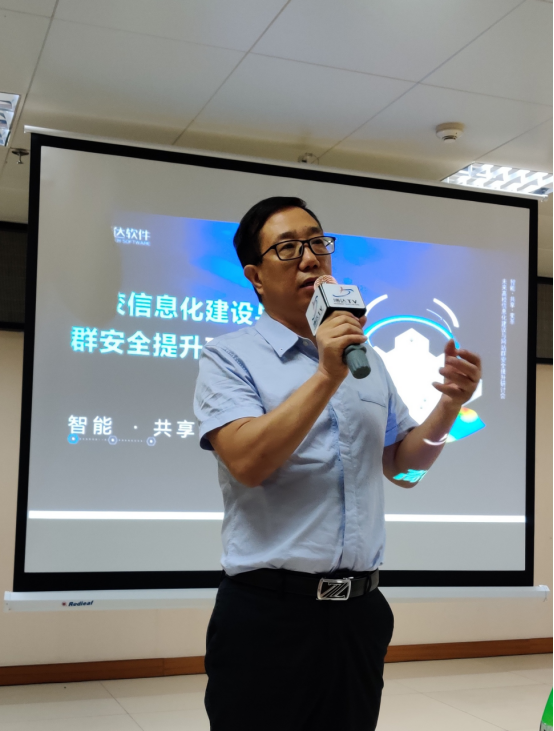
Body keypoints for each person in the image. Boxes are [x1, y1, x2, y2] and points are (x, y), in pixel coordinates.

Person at [194, 196, 482, 731]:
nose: (310, 258)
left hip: (359, 615)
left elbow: (404, 470)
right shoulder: (229, 356)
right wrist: (326, 374)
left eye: (317, 242)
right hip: (268, 615)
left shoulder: (368, 360)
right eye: (288, 248)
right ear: (255, 277)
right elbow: (247, 463)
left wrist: (449, 406)